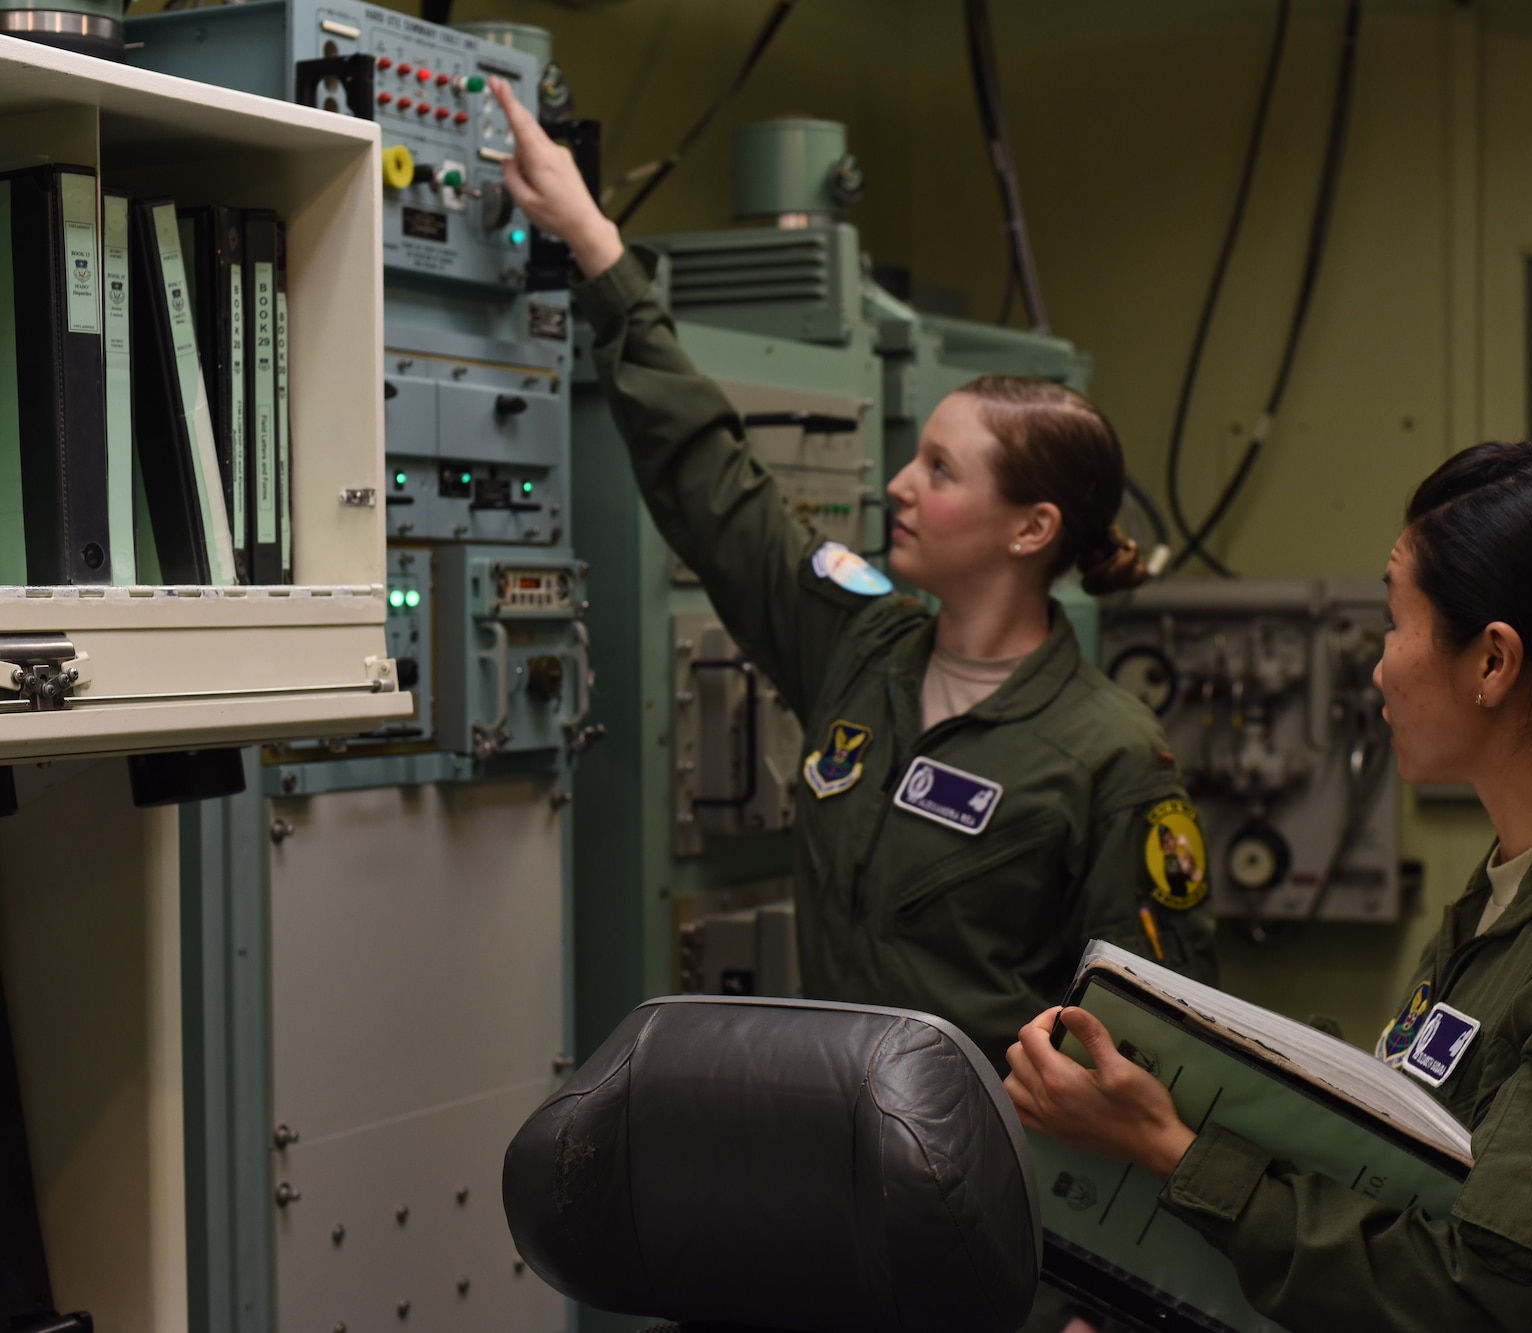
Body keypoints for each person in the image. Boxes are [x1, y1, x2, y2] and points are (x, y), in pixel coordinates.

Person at [488, 80, 1218, 1066]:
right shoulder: (860, 644)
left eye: (940, 471)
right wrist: (593, 243)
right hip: (840, 1149)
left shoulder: (1107, 757)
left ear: (1030, 526)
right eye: (914, 458)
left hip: (998, 1187)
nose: (899, 486)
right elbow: (717, 484)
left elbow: (1152, 1043)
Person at [1006, 441, 1532, 1333]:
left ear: (1492, 662)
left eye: (1392, 620)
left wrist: (1169, 1149)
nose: (1377, 666)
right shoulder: (1518, 888)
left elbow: (1489, 1298)